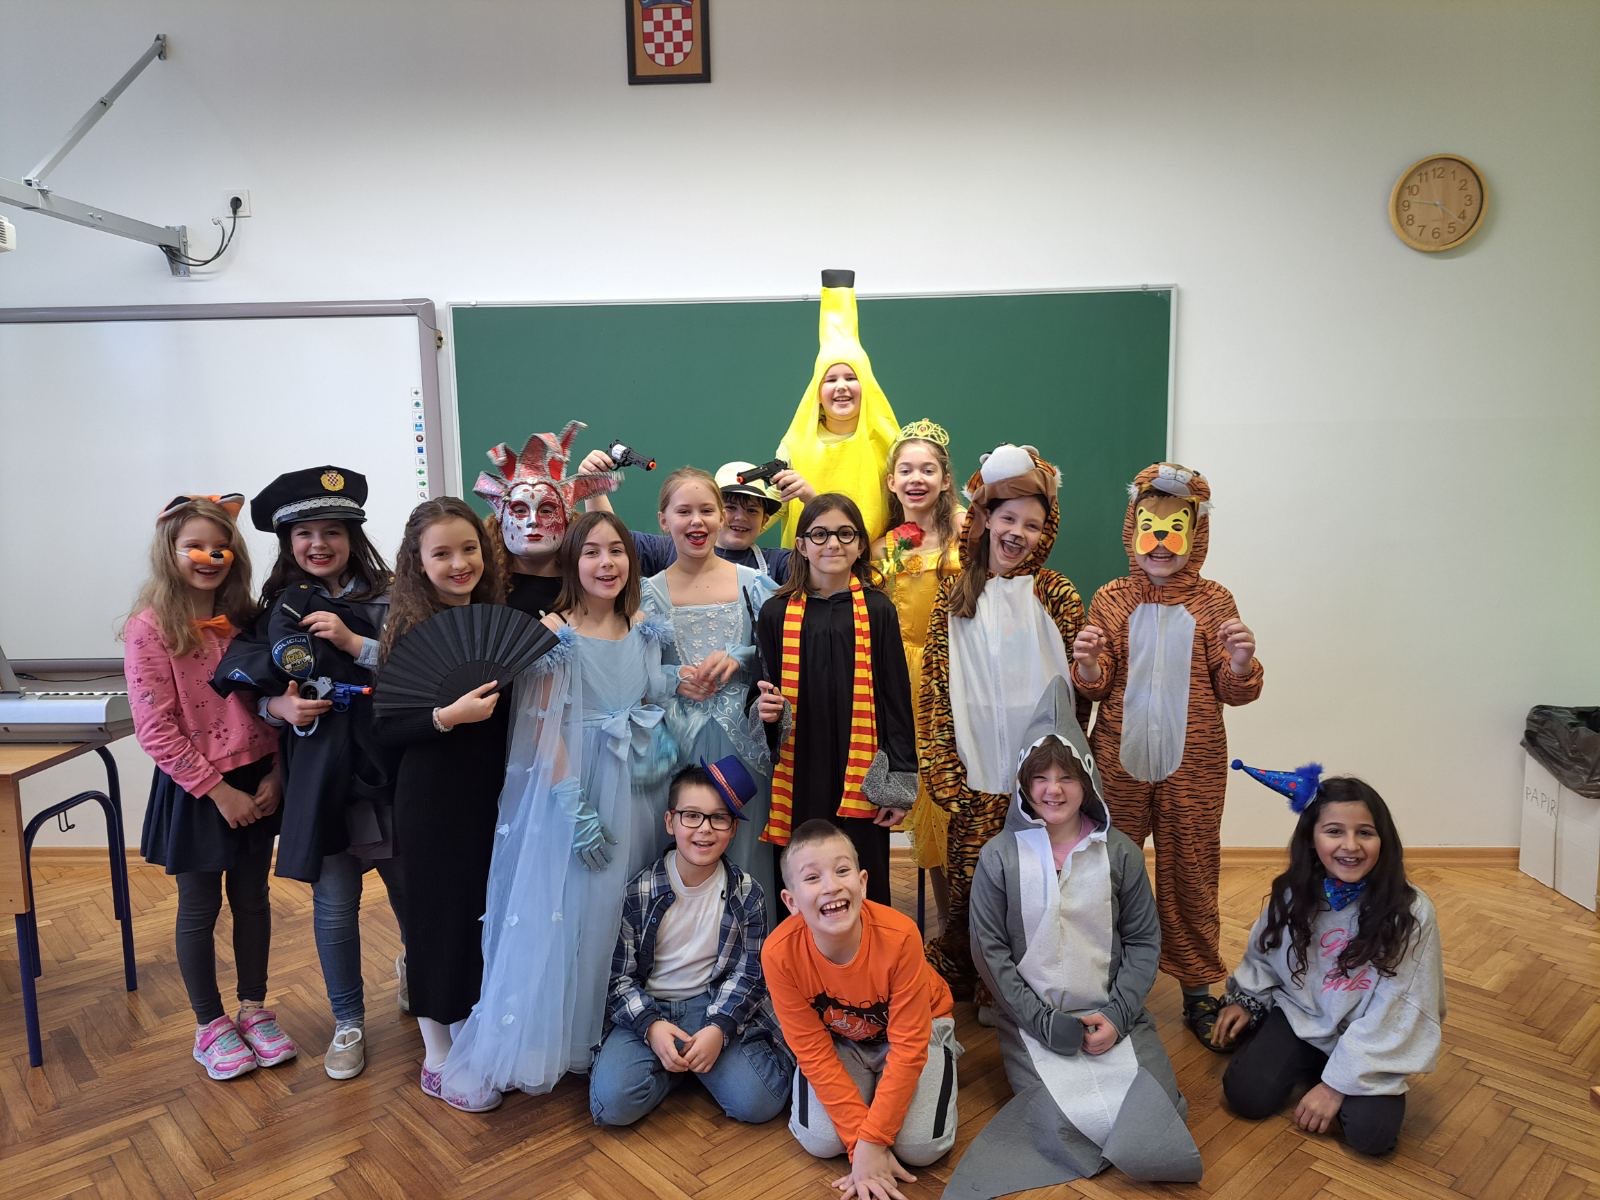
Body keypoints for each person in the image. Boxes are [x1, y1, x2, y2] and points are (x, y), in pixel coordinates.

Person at [440, 510, 679, 1101]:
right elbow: (544, 728)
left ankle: (621, 1028)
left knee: (627, 908)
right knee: (579, 908)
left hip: (640, 785)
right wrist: (576, 809)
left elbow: (653, 693)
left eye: (616, 550)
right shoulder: (554, 634)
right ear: (573, 562)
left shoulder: (644, 627)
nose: (606, 563)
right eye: (592, 552)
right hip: (580, 787)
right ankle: (572, 1035)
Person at [945, 679, 1201, 1198]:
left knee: (1158, 1122)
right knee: (1063, 1126)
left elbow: (1143, 940)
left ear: (1087, 779)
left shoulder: (1120, 852)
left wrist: (1119, 1014)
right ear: (1024, 783)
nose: (1053, 790)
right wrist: (1041, 1021)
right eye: (1040, 777)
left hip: (1114, 1013)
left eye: (1066, 776)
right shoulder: (999, 856)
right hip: (1033, 1023)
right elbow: (988, 952)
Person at [212, 465, 406, 1080]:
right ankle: (348, 1020)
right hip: (322, 776)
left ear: (353, 536)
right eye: (304, 534)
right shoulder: (275, 608)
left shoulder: (392, 596)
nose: (318, 544)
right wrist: (279, 707)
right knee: (335, 901)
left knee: (409, 888)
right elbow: (247, 687)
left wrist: (352, 642)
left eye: (332, 531)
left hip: (388, 768)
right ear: (287, 542)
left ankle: (420, 974)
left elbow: (419, 667)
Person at [1070, 462, 1263, 1047]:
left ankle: (1198, 988)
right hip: (1117, 762)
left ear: (1196, 533)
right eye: (1150, 528)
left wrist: (1240, 663)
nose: (1160, 542)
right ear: (1132, 529)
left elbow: (1236, 690)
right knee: (1105, 871)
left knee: (1191, 872)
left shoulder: (1215, 601)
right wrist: (1087, 664)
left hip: (1193, 767)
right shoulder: (1111, 598)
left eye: (1175, 528)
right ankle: (1103, 980)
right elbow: (1096, 687)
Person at [124, 493, 295, 1080]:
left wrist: (276, 773)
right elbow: (155, 727)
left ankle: (253, 1008)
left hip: (258, 776)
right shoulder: (149, 628)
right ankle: (210, 1024)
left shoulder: (247, 620)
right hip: (199, 787)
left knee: (252, 898)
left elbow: (271, 702)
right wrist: (219, 791)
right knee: (199, 906)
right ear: (168, 552)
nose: (209, 556)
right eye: (194, 546)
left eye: (220, 546)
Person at [921, 444, 1088, 1002]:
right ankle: (972, 970)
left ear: (1047, 531)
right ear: (987, 518)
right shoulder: (954, 595)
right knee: (973, 887)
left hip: (1042, 783)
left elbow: (1081, 689)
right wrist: (944, 766)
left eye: (1032, 525)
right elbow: (935, 687)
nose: (1018, 533)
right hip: (976, 777)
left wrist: (1069, 769)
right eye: (1008, 518)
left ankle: (1026, 980)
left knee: (1040, 885)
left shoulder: (1055, 593)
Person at [1214, 765, 1444, 1157]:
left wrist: (1336, 1085)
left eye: (1365, 833)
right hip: (1302, 1015)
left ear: (1384, 839)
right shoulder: (1295, 893)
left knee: (1373, 1137)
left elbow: (1402, 1005)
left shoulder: (1412, 911)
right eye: (1334, 831)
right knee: (1246, 1096)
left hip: (1371, 1036)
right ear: (1311, 838)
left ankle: (1331, 1067)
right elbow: (1266, 956)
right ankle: (1308, 1058)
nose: (1350, 846)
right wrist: (1247, 999)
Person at [372, 497, 510, 1111]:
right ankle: (436, 1053)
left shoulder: (495, 620)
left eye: (469, 549)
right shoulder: (406, 633)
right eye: (443, 553)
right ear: (418, 562)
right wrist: (445, 717)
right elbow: (385, 728)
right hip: (432, 798)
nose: (459, 564)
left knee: (483, 915)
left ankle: (474, 1034)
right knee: (438, 919)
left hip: (495, 795)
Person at [763, 819, 961, 1200]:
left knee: (922, 1147)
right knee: (820, 1140)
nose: (831, 886)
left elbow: (908, 1047)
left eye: (842, 871)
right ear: (791, 902)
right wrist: (863, 1145)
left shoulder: (901, 935)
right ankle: (874, 1097)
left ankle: (939, 1060)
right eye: (812, 878)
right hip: (843, 1039)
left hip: (918, 1030)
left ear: (863, 882)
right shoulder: (778, 954)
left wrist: (873, 1139)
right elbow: (812, 1052)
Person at [589, 760, 794, 1127]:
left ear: (733, 828)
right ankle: (679, 1065)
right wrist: (651, 1027)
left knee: (759, 1102)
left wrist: (719, 1028)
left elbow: (750, 974)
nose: (705, 829)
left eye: (719, 818)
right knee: (612, 1105)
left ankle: (696, 1059)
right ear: (670, 822)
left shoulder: (748, 893)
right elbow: (617, 978)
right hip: (650, 1007)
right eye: (692, 816)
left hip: (710, 1005)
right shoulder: (639, 891)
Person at [754, 493, 918, 907]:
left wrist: (899, 783)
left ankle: (866, 948)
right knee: (804, 865)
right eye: (820, 534)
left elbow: (896, 699)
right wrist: (764, 712)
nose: (833, 543)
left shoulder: (878, 610)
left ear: (861, 544)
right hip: (799, 768)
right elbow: (760, 693)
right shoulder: (775, 612)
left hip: (860, 768)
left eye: (846, 534)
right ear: (801, 544)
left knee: (863, 870)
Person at [640, 467, 781, 919]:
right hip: (676, 744)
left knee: (746, 847)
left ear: (721, 517)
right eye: (684, 511)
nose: (696, 521)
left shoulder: (754, 585)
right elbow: (632, 674)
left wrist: (741, 657)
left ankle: (751, 949)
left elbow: (781, 655)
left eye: (706, 510)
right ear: (664, 521)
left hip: (743, 745)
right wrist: (672, 678)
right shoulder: (646, 595)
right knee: (682, 847)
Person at [870, 420, 963, 930]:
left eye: (928, 469)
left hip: (953, 672)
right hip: (897, 678)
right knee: (919, 790)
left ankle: (963, 921)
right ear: (891, 481)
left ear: (946, 479)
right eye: (905, 470)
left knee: (952, 794)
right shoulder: (881, 548)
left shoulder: (967, 533)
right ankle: (936, 923)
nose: (916, 479)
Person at [774, 269, 902, 545]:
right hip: (805, 565)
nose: (841, 386)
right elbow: (773, 505)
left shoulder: (891, 443)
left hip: (874, 564)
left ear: (867, 386)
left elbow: (924, 493)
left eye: (851, 378)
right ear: (817, 392)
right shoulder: (794, 445)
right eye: (830, 379)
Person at [578, 454, 805, 584]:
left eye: (752, 511)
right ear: (719, 515)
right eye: (730, 507)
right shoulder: (664, 551)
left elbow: (823, 563)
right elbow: (608, 539)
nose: (740, 517)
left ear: (765, 520)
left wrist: (810, 500)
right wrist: (592, 485)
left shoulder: (777, 564)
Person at [472, 420, 621, 617]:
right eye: (519, 510)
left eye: (547, 510)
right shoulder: (481, 585)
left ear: (566, 517)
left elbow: (609, 543)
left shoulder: (588, 581)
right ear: (501, 518)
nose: (533, 520)